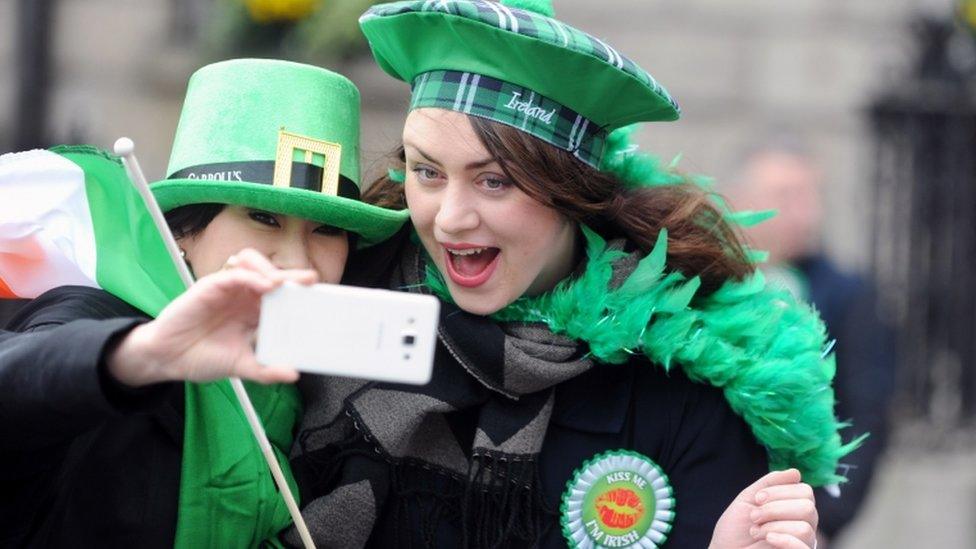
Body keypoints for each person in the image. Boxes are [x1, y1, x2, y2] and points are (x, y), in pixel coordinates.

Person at [286, 1, 851, 547]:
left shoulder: (684, 386)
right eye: (428, 172)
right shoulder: (337, 312)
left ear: (571, 194)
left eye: (493, 181)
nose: (450, 219)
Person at [0, 58, 409, 548]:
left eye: (327, 229)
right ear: (182, 234)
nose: (300, 263)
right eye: (263, 218)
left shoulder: (319, 366)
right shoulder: (106, 319)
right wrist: (139, 355)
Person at [725, 139, 896, 545]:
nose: (806, 212)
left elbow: (867, 417)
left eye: (811, 195)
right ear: (737, 201)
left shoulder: (847, 295)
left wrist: (824, 522)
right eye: (786, 195)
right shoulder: (707, 283)